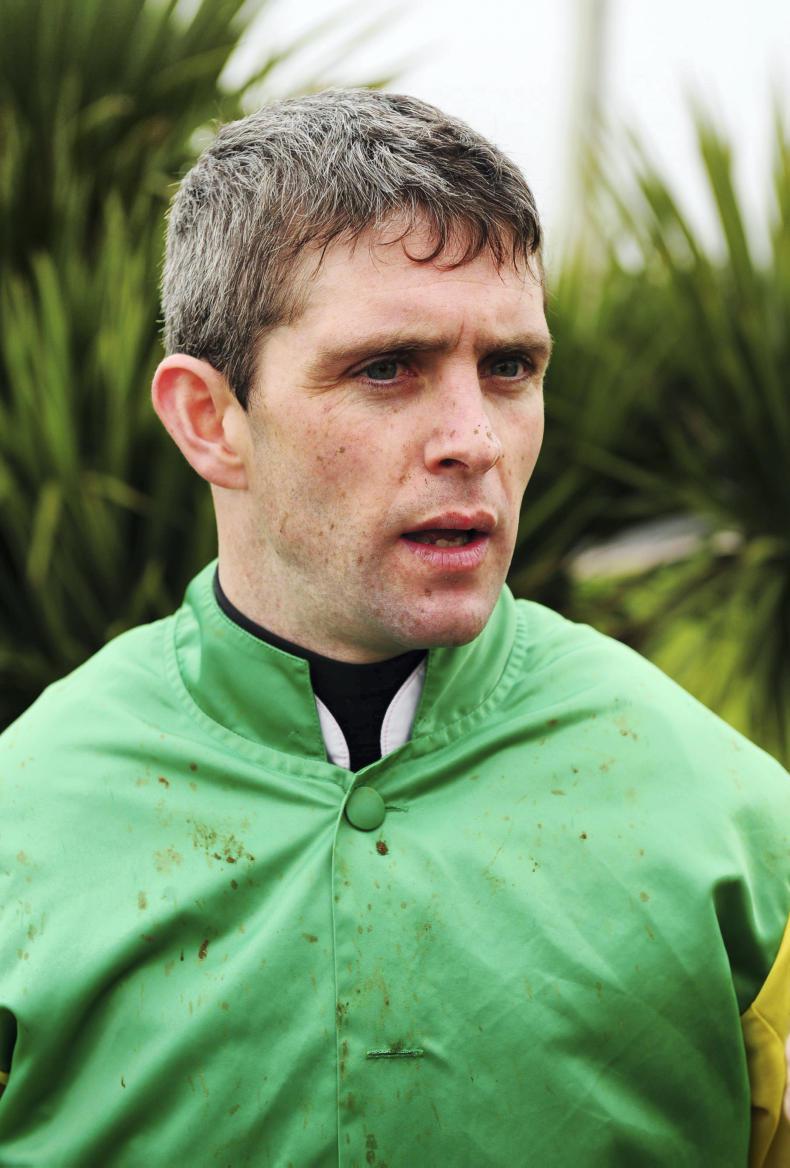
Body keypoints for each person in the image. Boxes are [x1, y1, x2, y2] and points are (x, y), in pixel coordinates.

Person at [0, 88, 788, 1167]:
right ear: (209, 419)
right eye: (386, 368)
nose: (474, 439)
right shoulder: (27, 820)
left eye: (509, 367)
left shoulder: (738, 826)